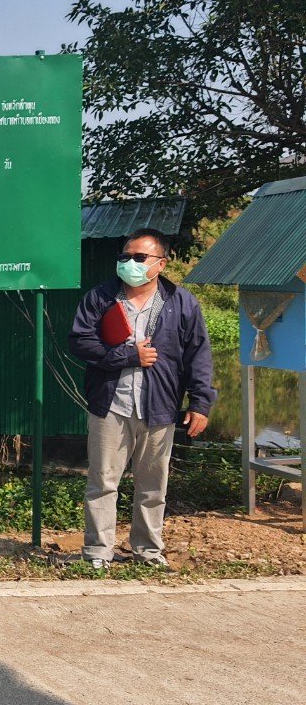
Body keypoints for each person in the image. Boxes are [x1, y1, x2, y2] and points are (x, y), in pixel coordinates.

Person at [69, 227, 216, 569]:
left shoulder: (181, 303)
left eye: (139, 257)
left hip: (160, 408)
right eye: (125, 256)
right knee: (103, 483)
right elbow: (79, 341)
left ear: (161, 263)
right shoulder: (101, 297)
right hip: (110, 405)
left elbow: (198, 355)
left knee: (152, 486)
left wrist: (200, 403)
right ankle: (97, 553)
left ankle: (147, 551)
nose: (129, 263)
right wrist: (126, 356)